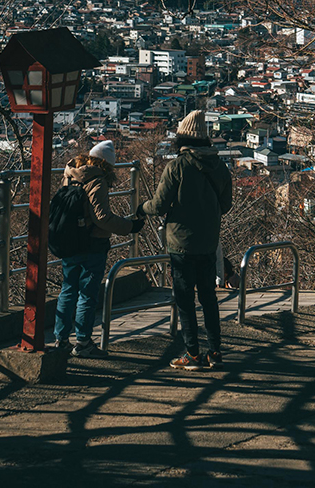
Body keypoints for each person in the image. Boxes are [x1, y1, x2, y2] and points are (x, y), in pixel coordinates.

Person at [137, 110, 232, 370]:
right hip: (208, 242)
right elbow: (226, 205)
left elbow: (158, 205)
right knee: (209, 298)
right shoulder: (220, 167)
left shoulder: (177, 166)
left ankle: (192, 353)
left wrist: (140, 208)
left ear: (182, 139)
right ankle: (215, 351)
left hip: (181, 243)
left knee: (185, 300)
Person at [53, 139, 144, 357]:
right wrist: (129, 226)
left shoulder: (70, 175)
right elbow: (102, 217)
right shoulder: (97, 180)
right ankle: (83, 342)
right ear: (106, 164)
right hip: (92, 243)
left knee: (68, 289)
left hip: (68, 240)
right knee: (87, 292)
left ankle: (61, 339)